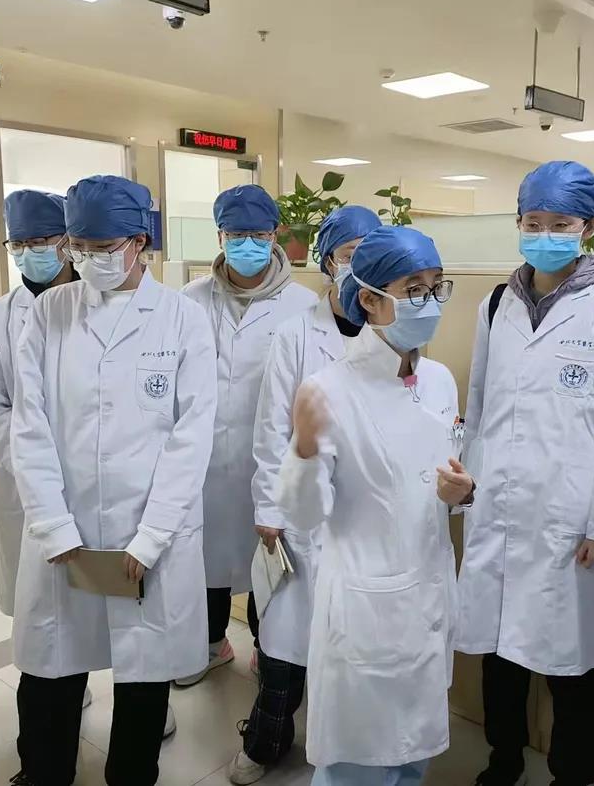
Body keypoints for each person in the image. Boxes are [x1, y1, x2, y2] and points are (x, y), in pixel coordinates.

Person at [8, 175, 217, 786]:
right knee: (51, 669)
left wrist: (151, 537)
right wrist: (53, 527)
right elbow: (29, 426)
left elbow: (191, 437)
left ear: (140, 243)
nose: (87, 259)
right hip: (64, 529)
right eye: (78, 247)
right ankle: (44, 774)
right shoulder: (49, 312)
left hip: (148, 532)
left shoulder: (182, 318)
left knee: (143, 675)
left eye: (103, 248)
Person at [456, 161, 594, 786]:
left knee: (572, 662)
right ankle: (503, 759)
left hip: (572, 516)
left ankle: (572, 774)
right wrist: (470, 490)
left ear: (588, 227)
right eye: (534, 221)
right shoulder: (497, 302)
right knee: (499, 651)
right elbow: (478, 404)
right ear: (518, 221)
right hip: (499, 505)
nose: (545, 234)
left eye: (561, 223)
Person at [277, 225, 465, 786]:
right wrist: (304, 451)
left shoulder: (438, 381)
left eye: (437, 286)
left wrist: (461, 494)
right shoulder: (328, 390)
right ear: (370, 300)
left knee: (414, 752)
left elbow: (437, 478)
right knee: (357, 761)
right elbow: (304, 515)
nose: (430, 302)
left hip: (429, 594)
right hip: (367, 605)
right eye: (414, 289)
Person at [228, 205, 381, 785]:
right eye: (349, 256)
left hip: (364, 515)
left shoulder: (395, 330)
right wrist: (270, 508)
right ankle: (266, 740)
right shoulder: (296, 334)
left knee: (354, 645)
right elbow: (272, 427)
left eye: (371, 256)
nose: (360, 268)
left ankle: (343, 749)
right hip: (299, 513)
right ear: (327, 263)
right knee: (285, 644)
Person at [178, 184, 316, 685]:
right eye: (236, 235)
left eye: (257, 234)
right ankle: (211, 643)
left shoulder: (303, 305)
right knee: (205, 558)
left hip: (271, 459)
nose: (247, 245)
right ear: (220, 236)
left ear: (276, 233)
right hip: (204, 459)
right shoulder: (190, 300)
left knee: (268, 560)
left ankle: (266, 646)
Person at [0, 190, 74, 620]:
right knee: (36, 606)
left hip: (98, 475)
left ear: (67, 241)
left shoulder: (99, 306)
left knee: (96, 600)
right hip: (24, 481)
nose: (29, 253)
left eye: (40, 242)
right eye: (19, 244)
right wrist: (34, 463)